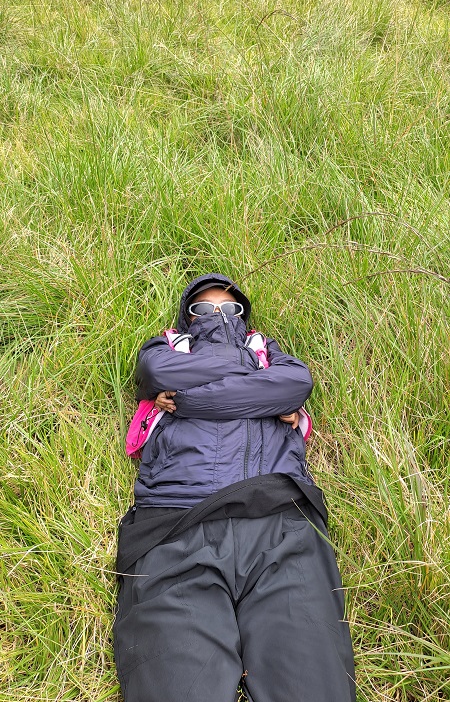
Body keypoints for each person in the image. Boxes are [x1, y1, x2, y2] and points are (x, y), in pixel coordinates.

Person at [114, 273, 355, 702]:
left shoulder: (267, 351)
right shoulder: (167, 347)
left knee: (311, 684)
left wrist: (188, 400)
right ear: (188, 317)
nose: (218, 314)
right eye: (203, 308)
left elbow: (296, 383)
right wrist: (258, 388)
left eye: (229, 307)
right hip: (175, 524)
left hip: (281, 519)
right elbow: (156, 371)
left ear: (244, 316)